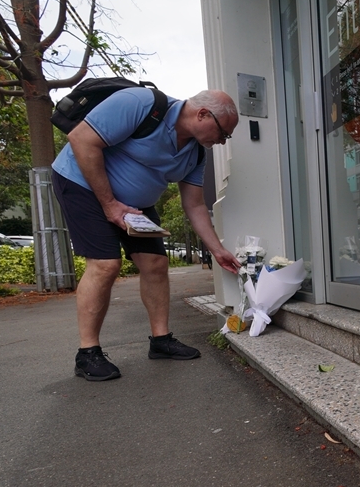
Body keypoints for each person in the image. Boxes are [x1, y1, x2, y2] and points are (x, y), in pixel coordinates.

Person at [51, 88, 242, 381]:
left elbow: (194, 205)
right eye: (222, 133)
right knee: (105, 265)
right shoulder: (139, 103)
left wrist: (217, 250)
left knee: (155, 264)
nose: (221, 141)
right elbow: (81, 138)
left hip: (135, 206)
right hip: (84, 186)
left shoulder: (195, 153)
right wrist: (110, 204)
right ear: (203, 114)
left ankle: (161, 340)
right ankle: (87, 353)